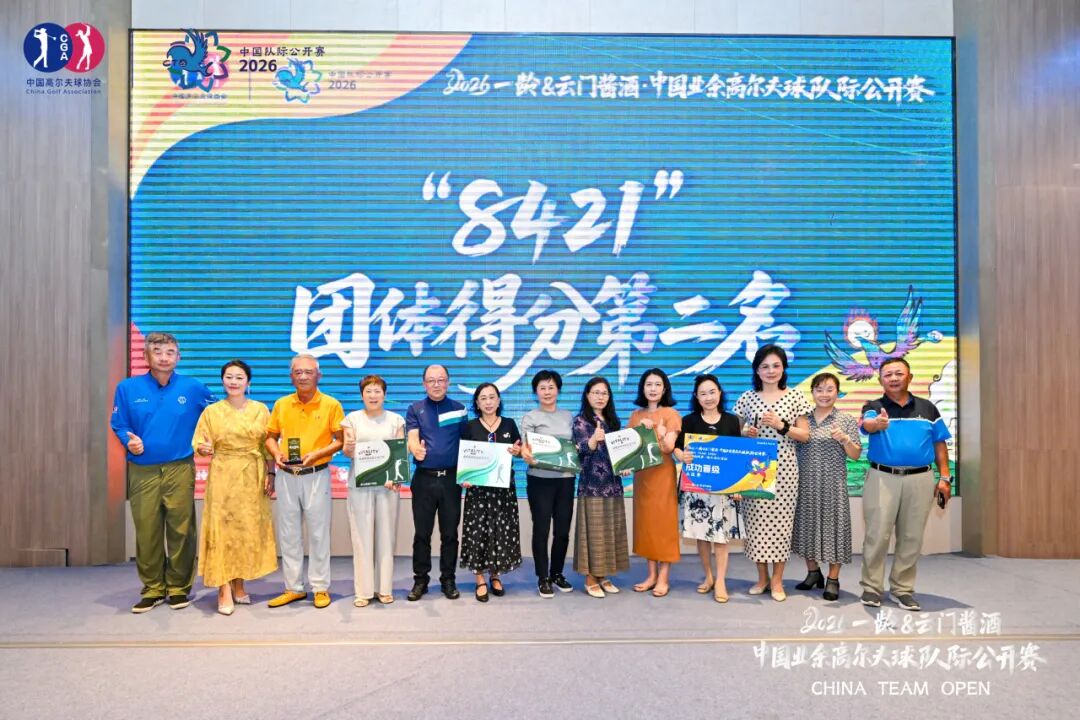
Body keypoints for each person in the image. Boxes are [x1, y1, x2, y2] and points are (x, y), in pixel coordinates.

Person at [111, 332, 213, 613]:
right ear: (146, 356)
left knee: (182, 529)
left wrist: (208, 440)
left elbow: (217, 414)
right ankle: (153, 588)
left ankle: (179, 588)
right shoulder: (128, 388)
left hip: (180, 467)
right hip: (142, 470)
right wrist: (128, 440)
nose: (164, 357)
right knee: (147, 529)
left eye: (170, 352)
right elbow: (119, 423)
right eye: (157, 352)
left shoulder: (193, 387)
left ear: (178, 357)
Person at [858, 357, 952, 612]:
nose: (893, 378)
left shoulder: (928, 408)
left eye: (899, 373)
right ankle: (872, 587)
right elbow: (867, 424)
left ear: (909, 377)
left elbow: (939, 443)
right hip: (882, 478)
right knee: (877, 534)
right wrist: (876, 424)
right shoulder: (874, 406)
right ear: (880, 380)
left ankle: (902, 589)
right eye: (888, 374)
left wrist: (945, 478)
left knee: (912, 536)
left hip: (920, 479)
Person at [193, 359, 277, 615]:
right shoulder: (212, 411)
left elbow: (268, 444)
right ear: (222, 380)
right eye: (229, 377)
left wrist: (271, 472)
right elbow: (199, 442)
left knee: (244, 529)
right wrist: (204, 448)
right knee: (222, 529)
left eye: (239, 377)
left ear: (248, 382)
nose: (233, 382)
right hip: (223, 474)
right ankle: (223, 588)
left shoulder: (261, 410)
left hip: (253, 474)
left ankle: (239, 583)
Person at [265, 354, 344, 609]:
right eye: (298, 372)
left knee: (319, 533)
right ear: (291, 377)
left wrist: (318, 454)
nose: (303, 376)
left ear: (318, 375)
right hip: (287, 476)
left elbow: (340, 440)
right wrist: (276, 454)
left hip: (316, 475)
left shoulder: (331, 404)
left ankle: (320, 587)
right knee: (289, 534)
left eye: (308, 372)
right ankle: (293, 588)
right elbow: (270, 436)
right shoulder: (281, 404)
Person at [733, 344, 811, 602]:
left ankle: (777, 581)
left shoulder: (796, 396)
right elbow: (734, 433)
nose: (770, 371)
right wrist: (745, 433)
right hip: (754, 469)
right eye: (764, 366)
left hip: (786, 470)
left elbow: (805, 435)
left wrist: (781, 425)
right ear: (757, 370)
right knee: (756, 525)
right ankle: (762, 578)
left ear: (784, 368)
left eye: (776, 365)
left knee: (781, 527)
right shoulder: (747, 398)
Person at [672, 374, 742, 604]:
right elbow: (677, 448)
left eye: (712, 392)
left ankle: (721, 581)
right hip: (696, 490)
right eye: (703, 393)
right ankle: (709, 576)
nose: (708, 397)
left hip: (724, 489)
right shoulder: (689, 421)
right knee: (701, 536)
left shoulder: (732, 421)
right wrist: (680, 455)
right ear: (696, 397)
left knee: (721, 538)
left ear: (720, 393)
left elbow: (738, 457)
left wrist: (739, 487)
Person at [792, 372, 861, 602]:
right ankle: (813, 573)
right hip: (805, 483)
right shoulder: (802, 419)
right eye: (819, 389)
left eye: (829, 389)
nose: (824, 394)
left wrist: (845, 439)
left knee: (835, 530)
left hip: (833, 484)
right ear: (812, 392)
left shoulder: (845, 420)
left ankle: (833, 579)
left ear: (837, 392)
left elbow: (855, 454)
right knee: (806, 528)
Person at [341, 375, 405, 607]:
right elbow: (348, 451)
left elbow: (399, 451)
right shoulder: (352, 419)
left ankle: (384, 589)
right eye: (368, 391)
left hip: (388, 486)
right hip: (360, 484)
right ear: (362, 395)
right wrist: (349, 447)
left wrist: (395, 477)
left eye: (377, 391)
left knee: (386, 537)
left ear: (384, 394)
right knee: (361, 537)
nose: (373, 395)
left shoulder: (396, 419)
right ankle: (364, 591)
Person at [405, 364, 468, 601]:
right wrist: (415, 449)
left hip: (451, 480)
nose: (436, 384)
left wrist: (470, 472)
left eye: (441, 380)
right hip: (424, 479)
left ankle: (448, 579)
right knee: (422, 533)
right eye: (431, 380)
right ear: (424, 384)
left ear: (448, 382)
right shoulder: (415, 409)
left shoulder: (459, 409)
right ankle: (420, 580)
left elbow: (467, 442)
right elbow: (412, 437)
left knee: (450, 533)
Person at [459, 383, 523, 602]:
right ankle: (479, 579)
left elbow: (519, 450)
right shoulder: (469, 426)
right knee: (478, 532)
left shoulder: (509, 424)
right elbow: (464, 457)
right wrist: (465, 477)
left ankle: (495, 575)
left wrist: (518, 451)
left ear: (498, 400)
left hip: (503, 490)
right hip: (478, 491)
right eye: (483, 398)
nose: (488, 402)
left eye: (492, 397)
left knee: (500, 532)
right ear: (477, 403)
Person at [520, 370, 576, 598]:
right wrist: (526, 454)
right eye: (542, 388)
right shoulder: (531, 417)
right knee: (541, 529)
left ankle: (557, 573)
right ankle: (543, 576)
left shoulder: (568, 416)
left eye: (551, 387)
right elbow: (526, 447)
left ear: (558, 390)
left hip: (565, 480)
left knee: (562, 530)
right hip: (539, 480)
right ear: (536, 392)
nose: (547, 392)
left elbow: (573, 446)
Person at [572, 376, 631, 598]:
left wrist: (624, 466)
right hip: (592, 486)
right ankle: (590, 578)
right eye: (596, 392)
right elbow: (579, 452)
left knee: (610, 531)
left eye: (604, 393)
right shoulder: (580, 421)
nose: (600, 397)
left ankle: (603, 574)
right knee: (594, 532)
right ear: (587, 395)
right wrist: (593, 440)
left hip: (613, 485)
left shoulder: (613, 421)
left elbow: (619, 453)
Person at [627, 368, 682, 597]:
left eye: (658, 384)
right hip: (642, 477)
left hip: (662, 477)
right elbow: (629, 449)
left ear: (665, 388)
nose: (653, 389)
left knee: (664, 525)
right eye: (648, 384)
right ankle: (651, 575)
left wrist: (659, 432)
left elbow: (668, 447)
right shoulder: (635, 415)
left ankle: (663, 578)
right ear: (642, 388)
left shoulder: (671, 414)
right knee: (647, 526)